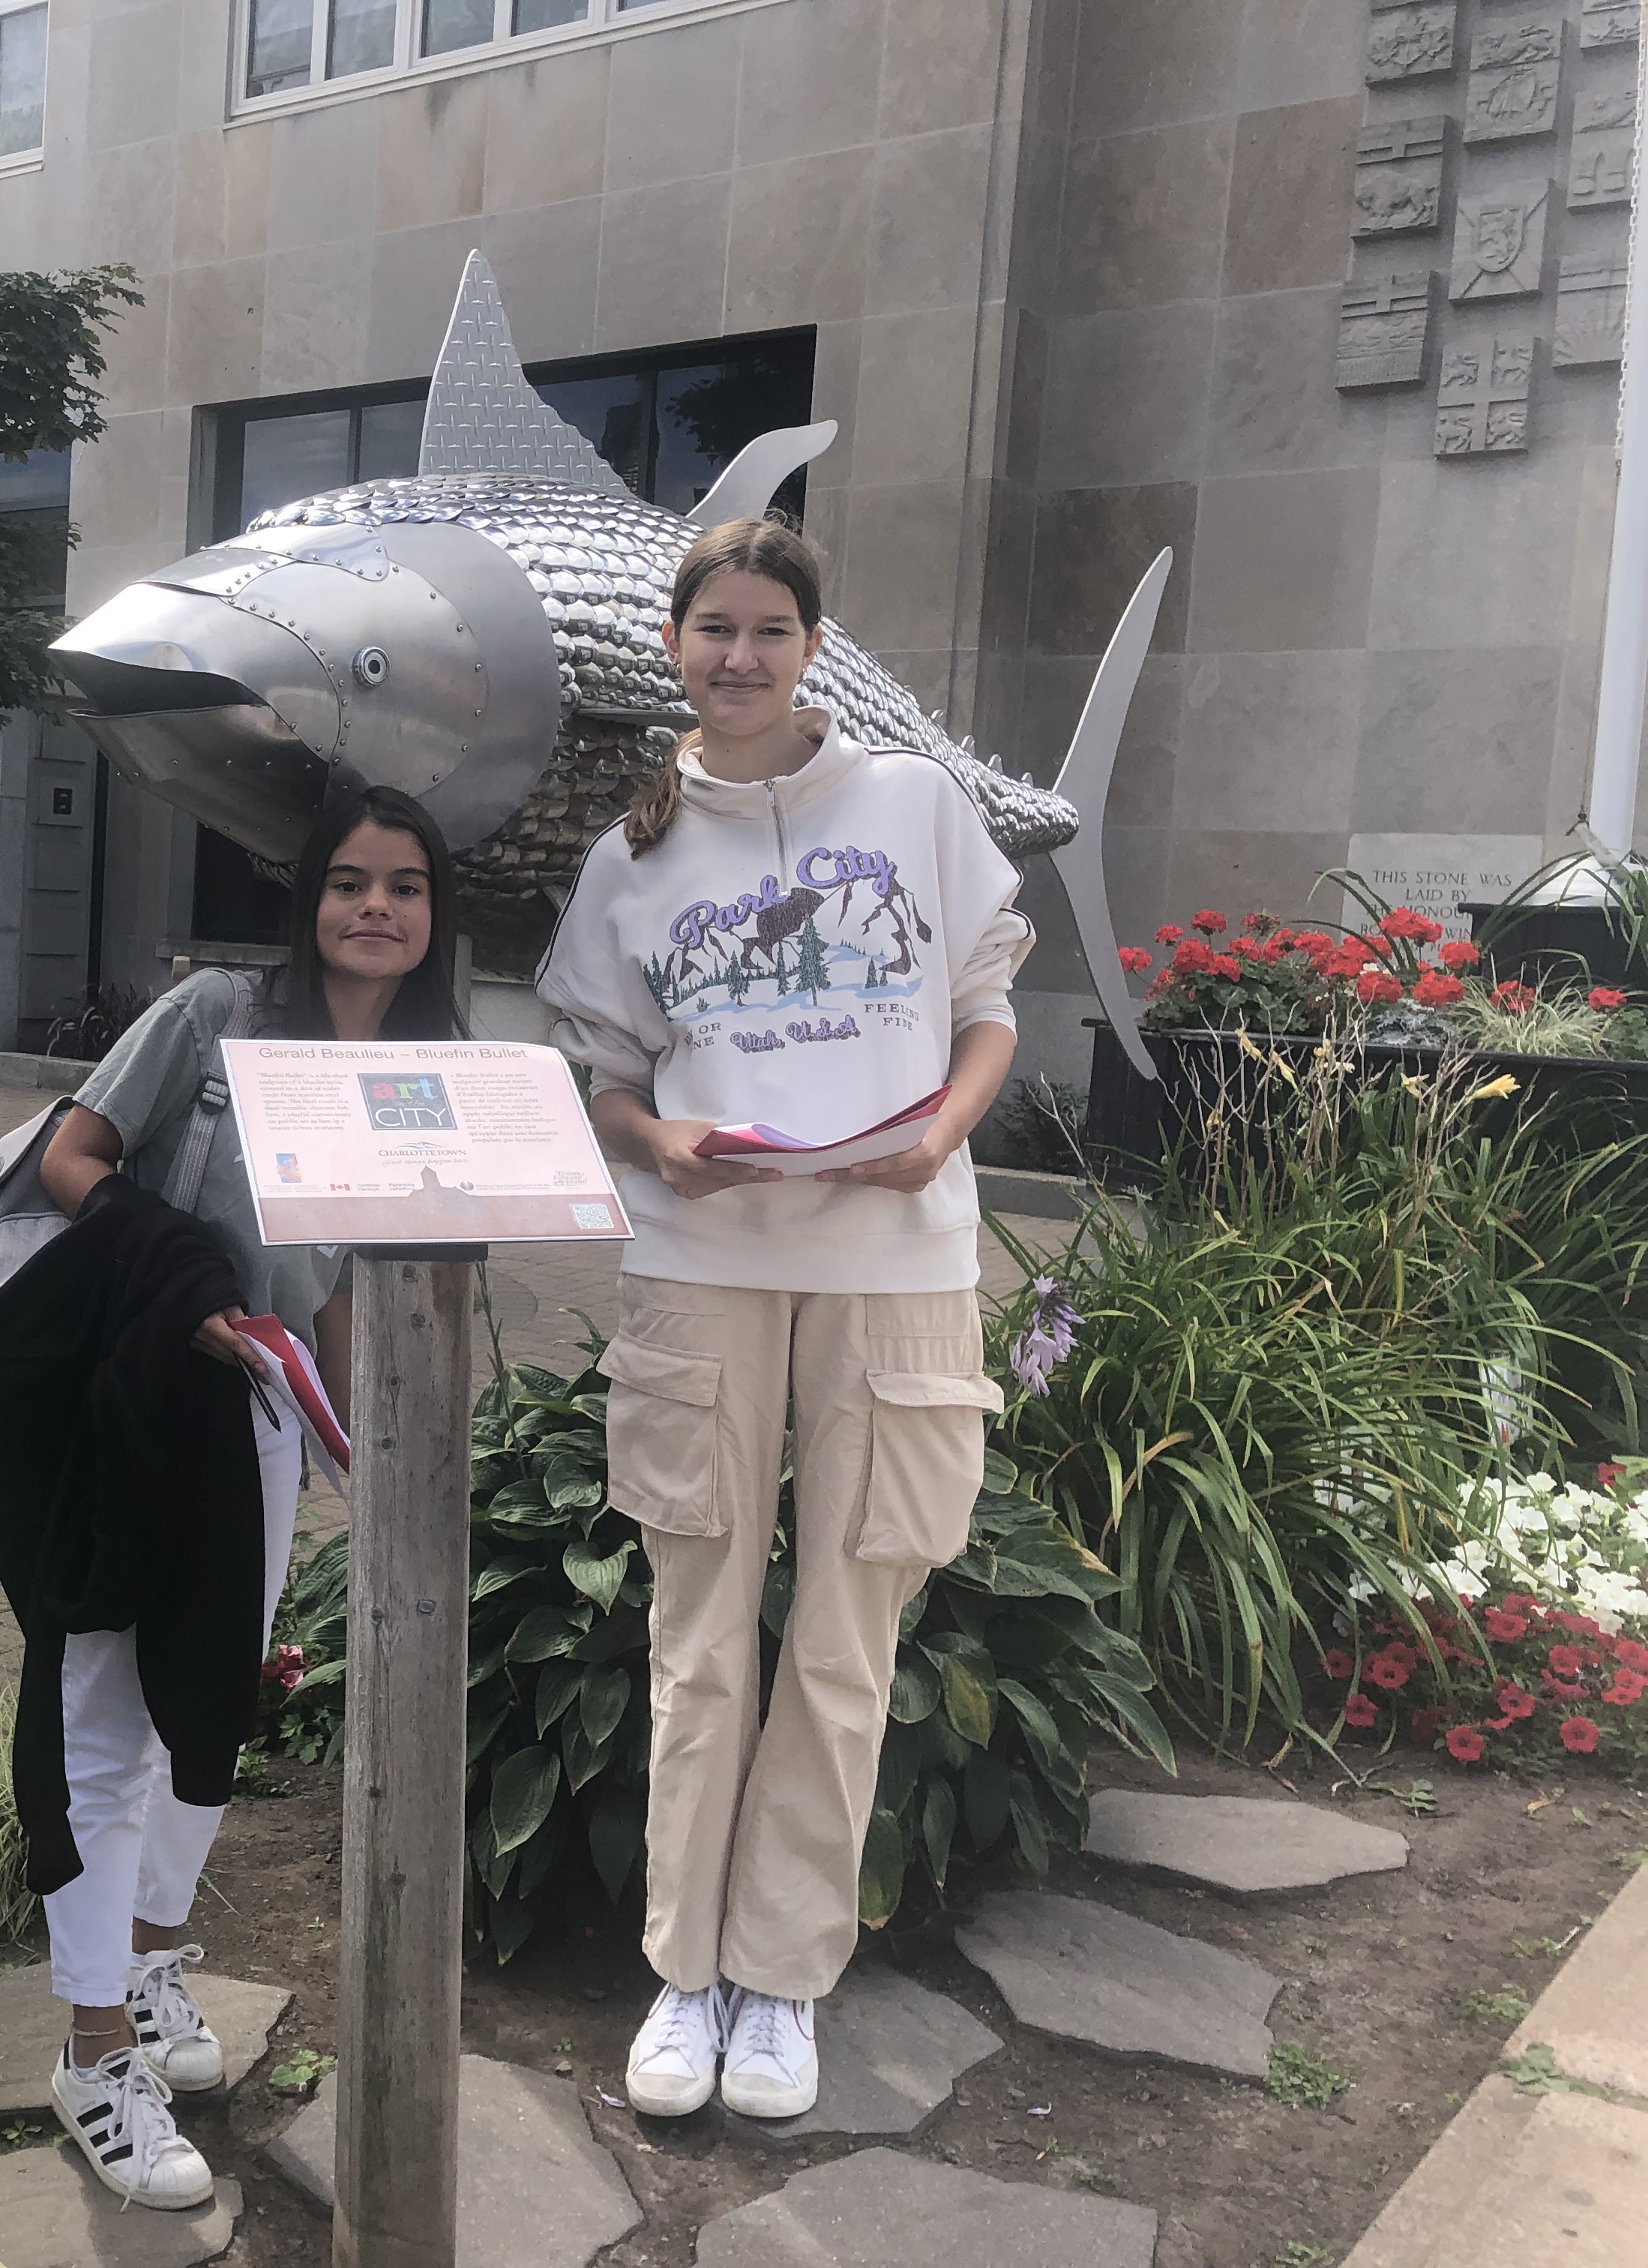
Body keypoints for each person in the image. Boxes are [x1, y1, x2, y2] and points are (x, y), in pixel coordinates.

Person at [535, 518, 1029, 2122]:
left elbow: (987, 1009)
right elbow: (606, 1072)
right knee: (695, 1627)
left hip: (896, 1264)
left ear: (814, 646)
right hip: (702, 1260)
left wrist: (946, 1132)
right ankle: (686, 1971)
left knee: (847, 1630)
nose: (739, 657)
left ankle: (783, 1978)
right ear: (672, 644)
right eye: (714, 630)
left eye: (769, 630)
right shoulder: (634, 850)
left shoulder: (915, 809)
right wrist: (651, 1139)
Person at [4, 785, 462, 2209]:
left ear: (437, 916)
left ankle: (143, 1974)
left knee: (207, 1706)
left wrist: (360, 1440)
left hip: (259, 1427)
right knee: (101, 1718)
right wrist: (182, 1285)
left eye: (402, 885)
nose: (373, 907)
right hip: (140, 1407)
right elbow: (69, 1158)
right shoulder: (215, 1015)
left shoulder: (426, 1062)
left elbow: (328, 1285)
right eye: (346, 882)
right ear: (306, 899)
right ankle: (89, 2055)